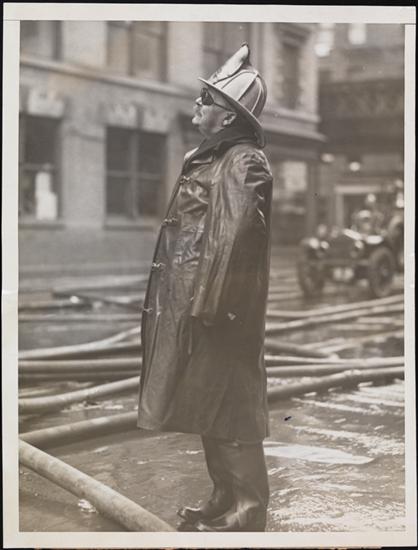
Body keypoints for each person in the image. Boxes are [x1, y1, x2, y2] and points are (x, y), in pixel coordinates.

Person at [137, 44, 273, 532]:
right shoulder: (212, 158)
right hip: (197, 303)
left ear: (229, 117)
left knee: (230, 403)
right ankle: (224, 496)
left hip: (218, 308)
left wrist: (213, 306)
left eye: (207, 100)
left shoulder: (242, 161)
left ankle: (248, 508)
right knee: (206, 398)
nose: (197, 104)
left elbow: (235, 238)